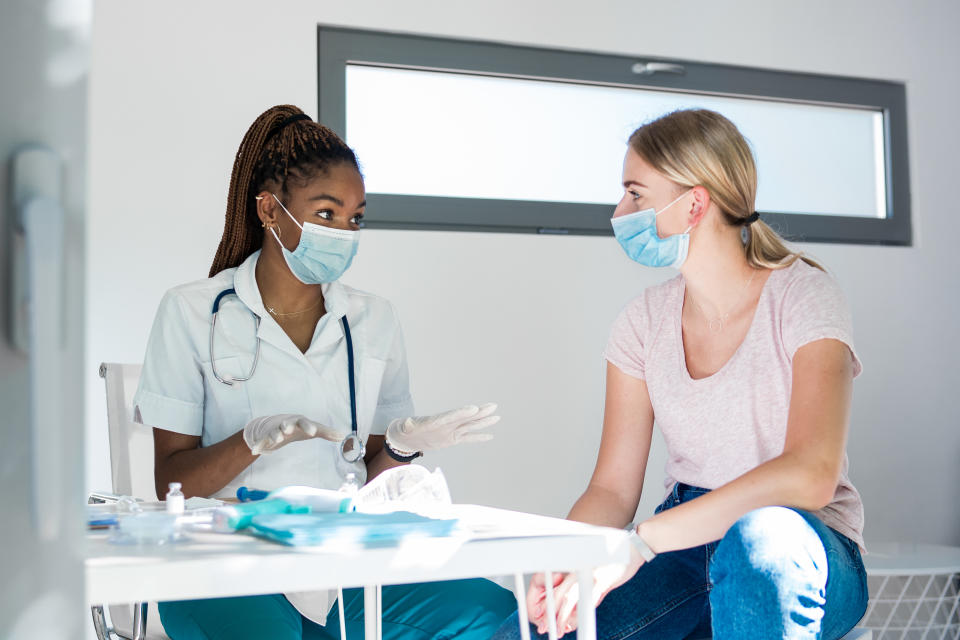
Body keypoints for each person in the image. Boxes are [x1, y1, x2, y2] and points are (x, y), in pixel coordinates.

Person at [133, 104, 514, 640]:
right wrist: (250, 443)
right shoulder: (192, 311)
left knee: (493, 612)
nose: (344, 232)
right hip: (222, 561)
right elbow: (169, 481)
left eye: (355, 218)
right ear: (269, 209)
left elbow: (369, 475)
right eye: (327, 214)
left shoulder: (373, 319)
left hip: (342, 558)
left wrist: (403, 447)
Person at [492, 109, 868, 640]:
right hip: (682, 536)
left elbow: (810, 473)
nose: (620, 210)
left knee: (760, 543)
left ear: (694, 203)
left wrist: (642, 543)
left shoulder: (804, 296)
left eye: (635, 194)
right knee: (533, 633)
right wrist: (567, 561)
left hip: (800, 535)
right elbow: (611, 487)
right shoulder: (641, 323)